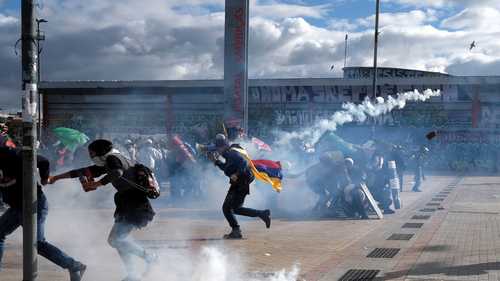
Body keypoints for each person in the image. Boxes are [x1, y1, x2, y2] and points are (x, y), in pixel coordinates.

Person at [49, 139, 157, 281]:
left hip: (135, 205)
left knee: (115, 240)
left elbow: (117, 173)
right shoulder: (110, 161)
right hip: (128, 204)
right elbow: (82, 171)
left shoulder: (113, 159)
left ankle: (149, 257)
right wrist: (56, 177)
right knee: (118, 241)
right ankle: (133, 274)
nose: (91, 156)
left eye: (92, 153)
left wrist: (96, 184)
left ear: (101, 151)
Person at [0, 147, 86, 280]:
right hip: (17, 207)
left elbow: (44, 161)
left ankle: (74, 265)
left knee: (37, 243)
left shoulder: (15, 155)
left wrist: (45, 178)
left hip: (34, 205)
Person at [211, 134, 271, 239]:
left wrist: (237, 174)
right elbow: (227, 169)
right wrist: (216, 162)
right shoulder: (228, 154)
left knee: (228, 208)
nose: (218, 149)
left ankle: (237, 230)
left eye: (219, 147)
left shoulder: (232, 153)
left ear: (224, 146)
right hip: (240, 182)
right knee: (233, 208)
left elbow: (244, 164)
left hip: (242, 182)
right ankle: (261, 214)